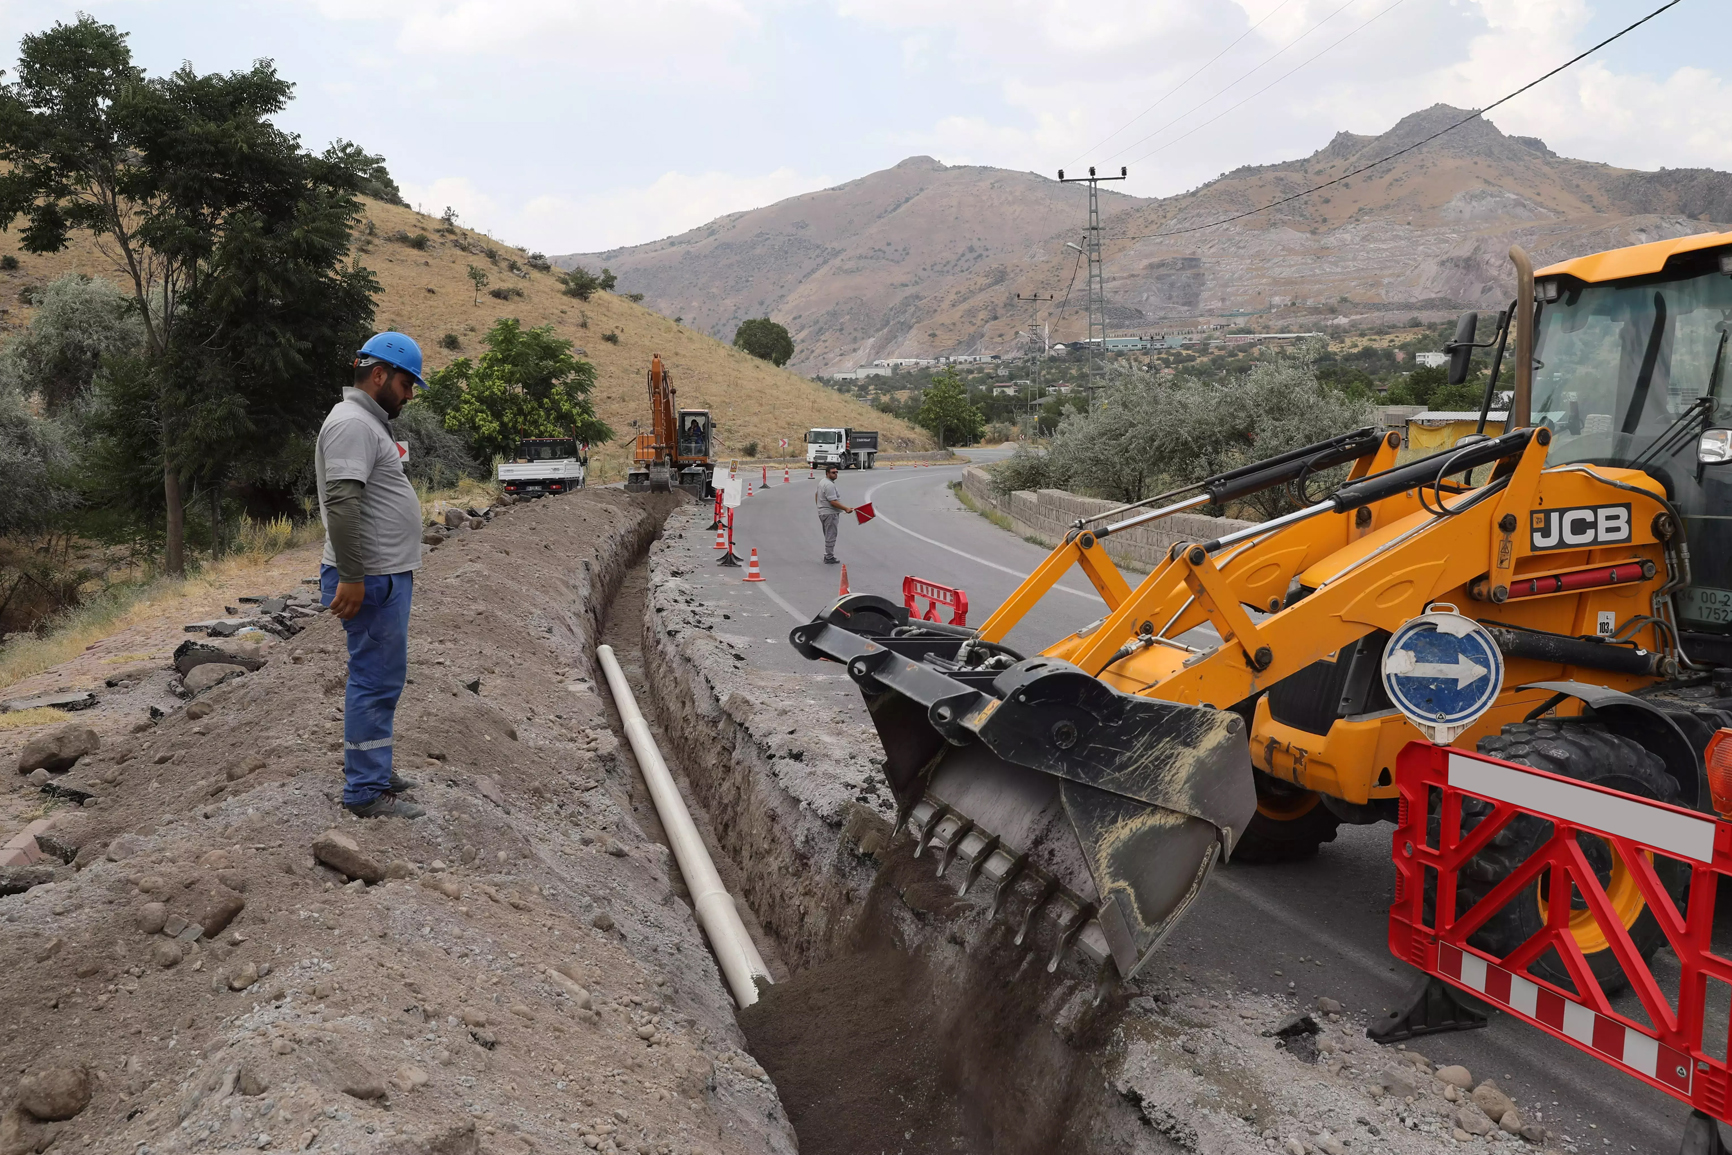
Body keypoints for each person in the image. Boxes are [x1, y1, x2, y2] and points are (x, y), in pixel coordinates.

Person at [317, 332, 429, 819]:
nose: (409, 395)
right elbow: (343, 503)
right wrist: (352, 575)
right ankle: (364, 790)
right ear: (380, 375)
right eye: (407, 384)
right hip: (370, 575)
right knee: (374, 679)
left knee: (383, 677)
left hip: (382, 573)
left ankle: (375, 771)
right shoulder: (353, 425)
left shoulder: (367, 422)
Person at [815, 464, 854, 564]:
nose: (835, 474)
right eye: (833, 472)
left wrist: (819, 507)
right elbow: (833, 501)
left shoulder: (822, 482)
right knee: (831, 535)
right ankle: (829, 556)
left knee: (828, 534)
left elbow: (816, 495)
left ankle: (828, 555)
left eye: (836, 472)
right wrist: (845, 508)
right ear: (827, 473)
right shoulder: (829, 485)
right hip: (829, 513)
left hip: (823, 512)